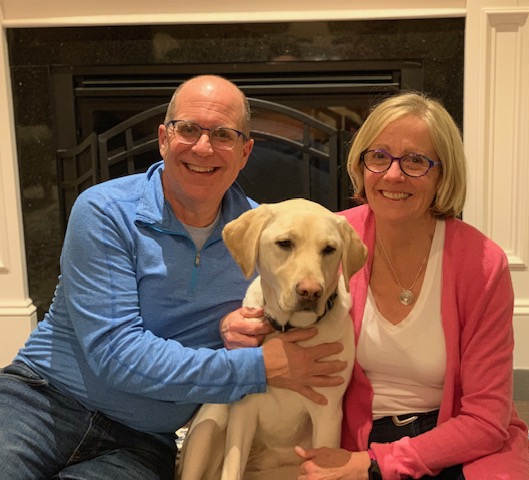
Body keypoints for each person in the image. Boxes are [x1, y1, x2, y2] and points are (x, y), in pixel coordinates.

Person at [0, 75, 346, 480]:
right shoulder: (105, 211)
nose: (203, 147)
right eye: (188, 130)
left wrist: (225, 327)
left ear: (245, 151)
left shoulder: (268, 235)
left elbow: (298, 304)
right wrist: (255, 367)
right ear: (163, 138)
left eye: (223, 134)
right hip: (44, 399)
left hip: (145, 438)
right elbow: (115, 354)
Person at [223, 91, 529, 479]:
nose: (392, 175)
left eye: (416, 161)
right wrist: (236, 327)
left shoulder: (482, 265)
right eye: (379, 156)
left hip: (459, 440)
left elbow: (487, 421)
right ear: (361, 163)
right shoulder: (328, 238)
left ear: (443, 173)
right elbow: (269, 287)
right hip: (362, 436)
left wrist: (373, 465)